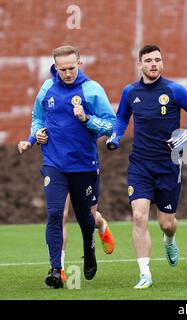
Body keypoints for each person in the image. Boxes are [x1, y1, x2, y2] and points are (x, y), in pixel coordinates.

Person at [17, 45, 116, 289]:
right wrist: (35, 135)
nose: (68, 73)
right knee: (56, 214)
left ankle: (91, 246)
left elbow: (111, 125)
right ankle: (55, 268)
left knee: (86, 218)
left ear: (79, 63)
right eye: (63, 69)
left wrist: (86, 119)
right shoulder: (47, 88)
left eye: (72, 68)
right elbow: (38, 118)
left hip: (83, 164)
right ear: (55, 67)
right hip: (54, 163)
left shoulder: (92, 90)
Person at [106, 44, 187, 289]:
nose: (153, 64)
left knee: (166, 223)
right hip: (140, 165)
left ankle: (169, 240)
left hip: (169, 165)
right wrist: (115, 136)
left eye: (157, 60)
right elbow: (121, 118)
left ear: (162, 63)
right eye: (148, 60)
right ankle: (145, 273)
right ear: (140, 64)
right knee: (139, 217)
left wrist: (185, 135)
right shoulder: (130, 92)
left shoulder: (174, 90)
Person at [60, 172, 115, 282]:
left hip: (85, 167)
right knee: (60, 216)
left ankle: (101, 225)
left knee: (90, 219)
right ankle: (58, 267)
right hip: (61, 167)